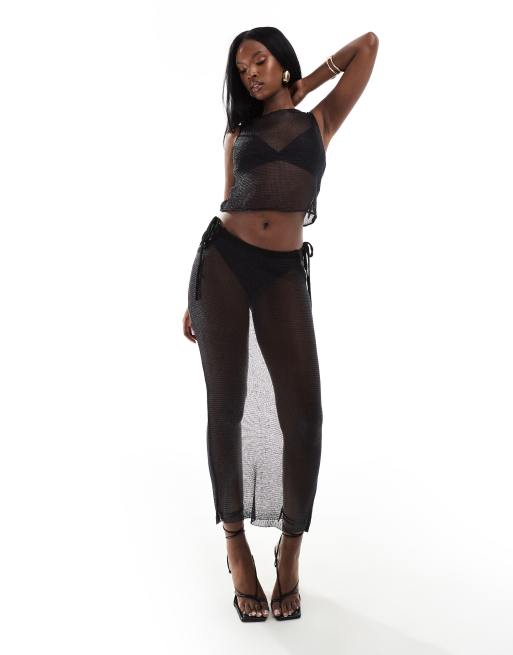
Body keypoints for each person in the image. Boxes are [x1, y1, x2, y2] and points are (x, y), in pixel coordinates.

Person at [182, 26, 379, 622]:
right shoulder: (237, 134)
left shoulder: (319, 122)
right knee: (226, 407)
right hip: (222, 264)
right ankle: (236, 545)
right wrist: (192, 295)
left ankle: (289, 547)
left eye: (259, 60)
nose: (250, 73)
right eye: (242, 69)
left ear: (282, 62)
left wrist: (302, 86)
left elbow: (367, 46)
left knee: (304, 416)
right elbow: (227, 200)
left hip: (282, 273)